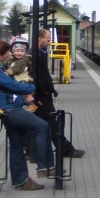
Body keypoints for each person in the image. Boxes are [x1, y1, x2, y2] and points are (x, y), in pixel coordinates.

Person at [0, 40, 54, 190]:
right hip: (8, 108)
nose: (9, 55)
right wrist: (31, 87)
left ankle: (21, 181)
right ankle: (45, 166)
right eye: (7, 53)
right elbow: (12, 85)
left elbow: (8, 86)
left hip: (8, 106)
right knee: (42, 127)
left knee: (17, 144)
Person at [32, 29, 85, 159]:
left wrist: (50, 89)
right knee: (52, 122)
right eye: (48, 40)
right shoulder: (35, 54)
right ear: (40, 39)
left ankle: (32, 149)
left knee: (45, 122)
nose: (50, 42)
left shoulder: (39, 53)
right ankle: (65, 149)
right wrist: (45, 90)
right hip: (40, 96)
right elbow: (38, 76)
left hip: (42, 94)